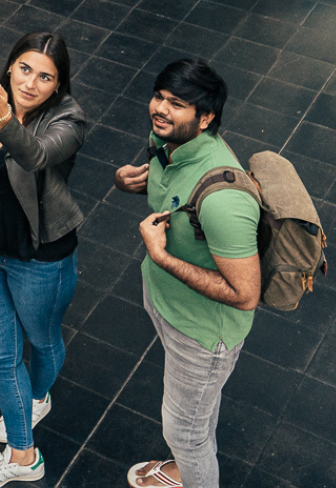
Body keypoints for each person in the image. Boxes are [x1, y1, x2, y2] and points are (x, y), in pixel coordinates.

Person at [0, 30, 86, 486]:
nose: (31, 83)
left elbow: (35, 156)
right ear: (10, 66)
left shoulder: (68, 120)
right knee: (3, 356)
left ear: (59, 85)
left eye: (45, 77)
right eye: (24, 69)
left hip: (39, 258)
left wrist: (5, 118)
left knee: (43, 343)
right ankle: (24, 457)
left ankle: (38, 396)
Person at [114, 56, 261, 488]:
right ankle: (183, 468)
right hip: (168, 304)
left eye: (177, 103)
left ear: (206, 117)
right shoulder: (168, 143)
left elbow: (246, 293)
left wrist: (162, 259)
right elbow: (167, 190)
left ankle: (191, 470)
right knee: (196, 413)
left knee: (186, 432)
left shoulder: (224, 200)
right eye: (159, 97)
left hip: (202, 334)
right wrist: (129, 182)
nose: (160, 109)